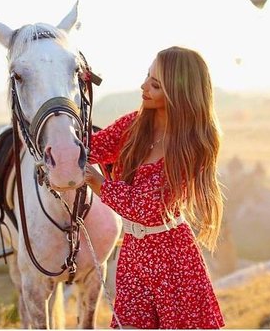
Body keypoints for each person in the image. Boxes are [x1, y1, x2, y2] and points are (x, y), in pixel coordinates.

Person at [85, 46, 225, 329]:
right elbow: (89, 149)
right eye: (147, 77)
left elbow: (147, 208)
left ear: (178, 92)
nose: (143, 87)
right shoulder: (134, 127)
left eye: (155, 84)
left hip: (173, 260)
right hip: (133, 255)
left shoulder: (195, 144)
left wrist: (97, 182)